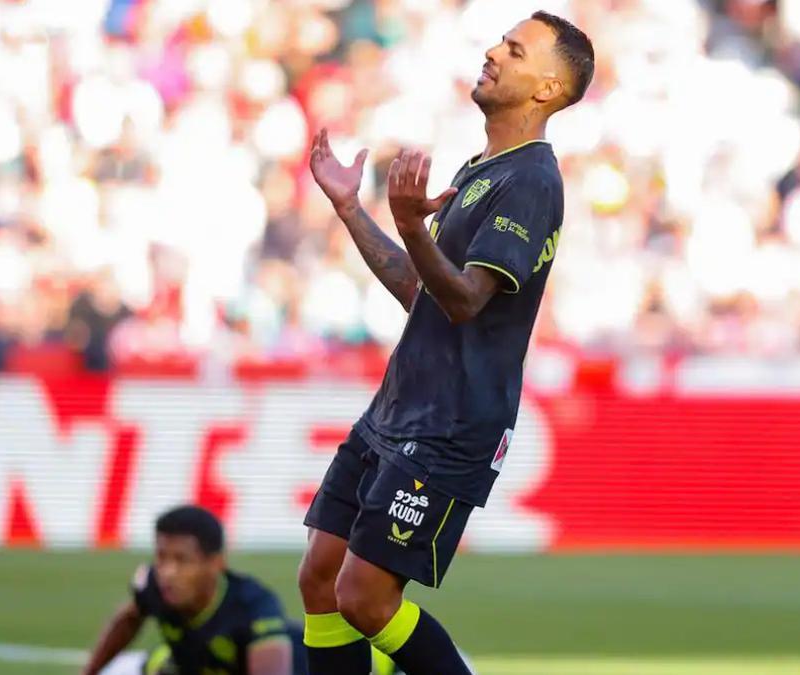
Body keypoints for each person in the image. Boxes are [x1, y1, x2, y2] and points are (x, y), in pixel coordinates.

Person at [298, 11, 594, 675]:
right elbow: (421, 290)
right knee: (320, 578)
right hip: (400, 406)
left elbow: (465, 300)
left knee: (364, 598)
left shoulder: (532, 182)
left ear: (547, 89)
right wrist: (354, 210)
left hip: (451, 423)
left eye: (515, 51)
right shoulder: (485, 166)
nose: (493, 52)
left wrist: (412, 226)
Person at [82, 505, 304, 675]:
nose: (167, 572)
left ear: (216, 563)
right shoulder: (153, 585)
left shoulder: (254, 607)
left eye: (182, 560)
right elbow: (128, 620)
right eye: (161, 557)